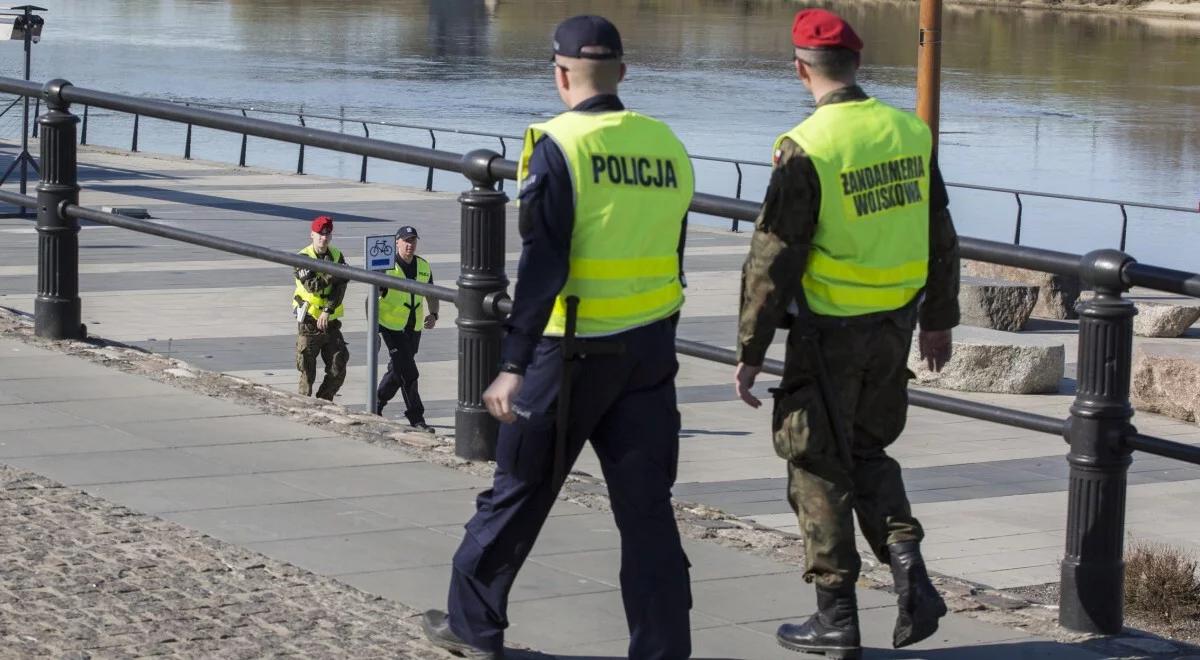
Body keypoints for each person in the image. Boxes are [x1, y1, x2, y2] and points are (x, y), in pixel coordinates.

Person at [421, 15, 695, 660]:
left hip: (568, 352)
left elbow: (545, 263)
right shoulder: (666, 143)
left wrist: (511, 362)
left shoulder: (560, 145)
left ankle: (473, 625)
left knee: (517, 490)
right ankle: (662, 648)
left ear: (560, 72)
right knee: (647, 511)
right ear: (623, 72)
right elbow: (672, 249)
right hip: (649, 350)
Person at [732, 9, 960, 658]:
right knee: (864, 451)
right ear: (859, 65)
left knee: (813, 463)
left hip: (829, 335)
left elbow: (774, 259)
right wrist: (939, 320)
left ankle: (836, 617)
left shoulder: (808, 147)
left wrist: (749, 351)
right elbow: (940, 235)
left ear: (799, 69)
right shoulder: (908, 132)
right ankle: (908, 563)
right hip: (895, 328)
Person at [375, 225, 438, 431]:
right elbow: (371, 297)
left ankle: (377, 403)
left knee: (398, 368)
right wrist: (373, 330)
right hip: (390, 326)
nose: (410, 245)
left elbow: (431, 292)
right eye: (406, 240)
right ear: (397, 242)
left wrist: (434, 314)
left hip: (414, 326)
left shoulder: (423, 266)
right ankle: (416, 417)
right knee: (410, 372)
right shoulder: (387, 266)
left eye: (413, 240)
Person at [293, 214, 350, 401]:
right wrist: (333, 271)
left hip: (330, 320)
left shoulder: (336, 255)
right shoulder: (303, 257)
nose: (324, 238)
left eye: (327, 234)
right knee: (307, 372)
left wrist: (328, 310)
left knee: (339, 365)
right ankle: (305, 405)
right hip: (309, 320)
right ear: (312, 235)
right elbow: (313, 286)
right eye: (320, 234)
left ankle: (324, 401)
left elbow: (341, 287)